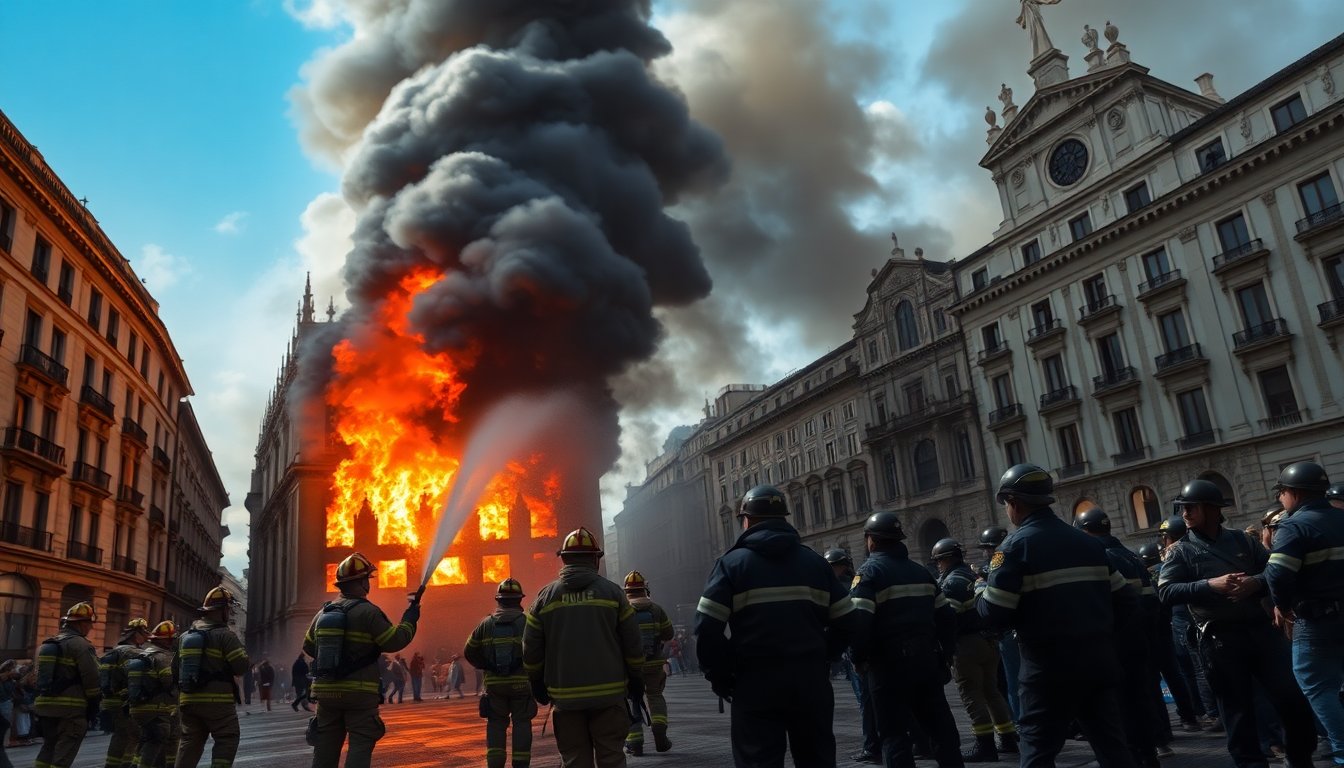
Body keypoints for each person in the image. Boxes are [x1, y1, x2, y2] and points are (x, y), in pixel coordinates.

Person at [977, 464, 1137, 768]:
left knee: (1037, 753)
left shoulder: (1014, 548)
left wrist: (981, 592)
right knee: (1113, 750)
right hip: (1097, 662)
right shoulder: (1088, 543)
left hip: (1047, 671)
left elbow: (994, 614)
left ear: (1014, 503)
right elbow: (1127, 600)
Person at [1158, 477, 1315, 768]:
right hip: (1220, 640)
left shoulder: (1243, 540)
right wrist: (1209, 585)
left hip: (1261, 633)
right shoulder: (1180, 551)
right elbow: (1166, 591)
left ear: (1213, 509)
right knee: (1236, 712)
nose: (1186, 514)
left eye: (1192, 507)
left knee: (1292, 700)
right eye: (1183, 508)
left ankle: (1300, 758)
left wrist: (1255, 584)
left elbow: (1276, 570)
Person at [695, 485, 856, 768]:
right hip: (810, 682)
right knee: (817, 759)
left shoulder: (730, 565)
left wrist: (720, 676)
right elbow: (848, 619)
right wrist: (825, 654)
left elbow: (708, 628)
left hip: (755, 683)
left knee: (758, 761)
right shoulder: (816, 564)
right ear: (785, 518)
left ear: (746, 520)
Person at [523, 526, 643, 768]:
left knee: (575, 760)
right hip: (610, 696)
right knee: (611, 757)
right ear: (594, 559)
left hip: (566, 699)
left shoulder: (545, 598)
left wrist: (537, 682)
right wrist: (636, 680)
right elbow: (633, 643)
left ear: (564, 559)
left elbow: (530, 649)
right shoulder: (613, 594)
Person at [850, 513, 965, 768]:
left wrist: (858, 658)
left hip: (887, 667)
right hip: (926, 662)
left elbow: (859, 623)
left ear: (872, 541)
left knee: (894, 736)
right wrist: (945, 655)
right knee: (941, 730)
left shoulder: (869, 574)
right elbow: (946, 617)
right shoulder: (921, 573)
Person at [303, 552, 418, 768]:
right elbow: (393, 641)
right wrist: (409, 619)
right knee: (360, 745)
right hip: (359, 692)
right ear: (363, 582)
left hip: (326, 692)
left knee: (325, 748)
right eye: (367, 579)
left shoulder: (323, 613)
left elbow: (308, 646)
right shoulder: (368, 612)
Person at [1264, 461, 1344, 766]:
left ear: (1294, 493)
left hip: (1317, 620)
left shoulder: (1294, 525)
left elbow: (1278, 575)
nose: (1281, 499)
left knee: (1318, 686)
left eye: (1282, 492)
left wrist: (1282, 606)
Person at [1074, 508, 1163, 766]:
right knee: (1141, 701)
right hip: (1139, 642)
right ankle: (1149, 755)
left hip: (1112, 645)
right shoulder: (1131, 557)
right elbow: (1150, 603)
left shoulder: (1096, 558)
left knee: (1118, 710)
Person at [932, 537, 1017, 761]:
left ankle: (985, 745)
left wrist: (944, 646)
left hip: (966, 645)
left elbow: (949, 619)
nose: (938, 566)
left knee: (971, 693)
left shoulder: (951, 583)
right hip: (988, 641)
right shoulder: (973, 575)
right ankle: (1008, 737)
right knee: (992, 692)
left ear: (946, 559)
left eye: (939, 562)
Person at [464, 578, 535, 768]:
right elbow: (540, 650)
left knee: (495, 724)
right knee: (522, 723)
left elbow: (469, 651)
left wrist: (487, 665)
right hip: (522, 685)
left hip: (494, 686)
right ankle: (521, 764)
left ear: (498, 600)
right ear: (520, 600)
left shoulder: (485, 624)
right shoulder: (528, 622)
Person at [174, 586, 248, 768]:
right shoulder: (225, 636)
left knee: (189, 742)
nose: (229, 612)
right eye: (228, 609)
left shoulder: (185, 636)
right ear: (222, 610)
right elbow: (241, 667)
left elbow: (174, 669)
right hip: (218, 703)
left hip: (188, 700)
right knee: (227, 738)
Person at [826, 548, 880, 765]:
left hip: (856, 649)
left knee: (865, 701)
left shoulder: (840, 587)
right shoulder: (856, 582)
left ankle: (872, 746)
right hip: (867, 648)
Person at [33, 600, 102, 768]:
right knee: (63, 755)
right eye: (89, 623)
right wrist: (94, 703)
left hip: (45, 709)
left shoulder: (47, 644)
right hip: (71, 711)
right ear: (81, 624)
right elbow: (92, 676)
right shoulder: (81, 645)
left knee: (47, 749)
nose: (90, 628)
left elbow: (38, 676)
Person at [621, 570, 675, 756]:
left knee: (632, 700)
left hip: (630, 668)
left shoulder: (622, 611)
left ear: (626, 591)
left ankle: (635, 744)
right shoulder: (657, 609)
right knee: (655, 697)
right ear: (645, 590)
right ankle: (659, 730)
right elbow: (669, 634)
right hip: (653, 665)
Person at [976, 525, 1020, 723]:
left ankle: (1018, 721)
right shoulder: (1016, 559)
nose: (985, 552)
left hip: (1004, 631)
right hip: (1017, 629)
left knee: (1011, 681)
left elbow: (989, 606)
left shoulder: (993, 567)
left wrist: (978, 586)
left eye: (987, 548)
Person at [100, 617, 151, 768]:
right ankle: (127, 765)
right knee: (134, 735)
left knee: (120, 735)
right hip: (126, 702)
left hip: (110, 702)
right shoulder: (134, 653)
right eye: (144, 634)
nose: (146, 637)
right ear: (136, 635)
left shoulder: (112, 652)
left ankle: (112, 765)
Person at [130, 620, 179, 768]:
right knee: (156, 740)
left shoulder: (142, 655)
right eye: (172, 639)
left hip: (138, 708)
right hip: (156, 709)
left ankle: (135, 765)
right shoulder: (163, 658)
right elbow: (170, 682)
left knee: (145, 740)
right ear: (166, 640)